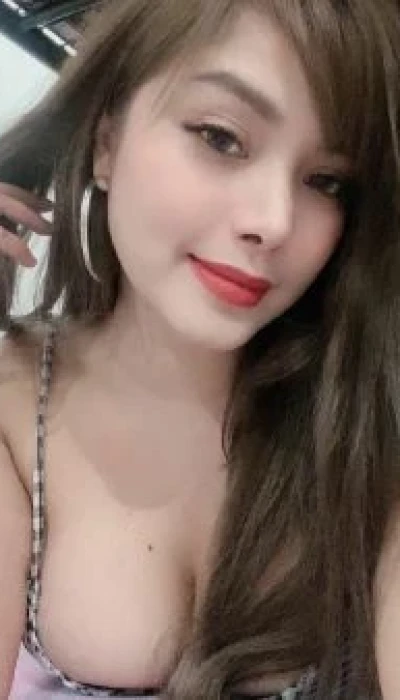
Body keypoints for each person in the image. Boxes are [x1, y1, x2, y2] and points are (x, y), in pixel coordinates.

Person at [0, 0, 399, 698]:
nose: (273, 220)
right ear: (106, 140)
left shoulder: (363, 422)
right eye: (221, 138)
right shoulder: (12, 414)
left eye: (326, 180)